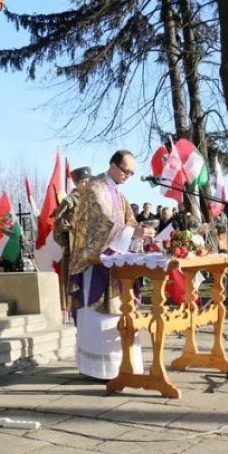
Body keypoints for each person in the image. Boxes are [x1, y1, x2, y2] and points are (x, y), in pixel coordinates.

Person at [68, 151, 151, 379]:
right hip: (96, 264)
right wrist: (131, 232)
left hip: (117, 265)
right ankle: (96, 370)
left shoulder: (117, 193)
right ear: (113, 166)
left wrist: (141, 231)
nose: (128, 176)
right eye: (126, 171)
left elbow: (129, 221)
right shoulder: (95, 189)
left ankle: (121, 365)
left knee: (119, 314)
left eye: (131, 173)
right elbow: (101, 225)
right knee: (99, 321)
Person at [53, 166, 92, 311]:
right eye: (83, 182)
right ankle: (76, 315)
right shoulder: (69, 201)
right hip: (73, 250)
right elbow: (57, 223)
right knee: (74, 287)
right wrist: (73, 225)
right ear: (76, 183)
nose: (86, 184)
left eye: (88, 181)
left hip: (89, 249)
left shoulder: (91, 199)